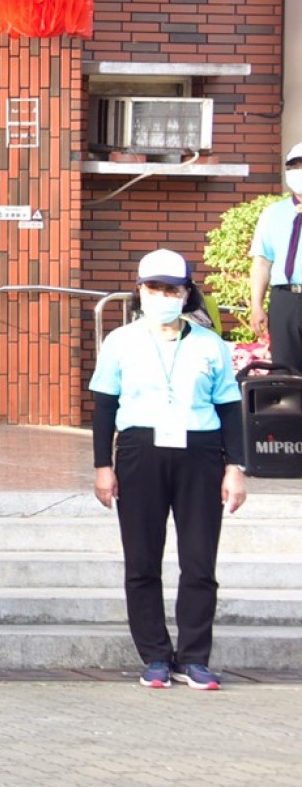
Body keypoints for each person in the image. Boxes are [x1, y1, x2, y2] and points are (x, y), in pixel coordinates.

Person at [92, 249, 248, 690]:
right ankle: (155, 656)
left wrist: (235, 467)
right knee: (142, 560)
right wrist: (103, 465)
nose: (163, 296)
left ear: (187, 293)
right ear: (140, 291)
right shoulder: (120, 341)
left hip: (200, 451)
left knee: (199, 561)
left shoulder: (209, 343)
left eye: (173, 289)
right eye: (155, 288)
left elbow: (230, 408)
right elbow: (104, 406)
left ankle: (194, 657)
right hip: (140, 450)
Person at [247, 142, 302, 371]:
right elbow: (262, 262)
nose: (299, 172)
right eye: (294, 167)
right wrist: (256, 305)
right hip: (284, 299)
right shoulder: (273, 213)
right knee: (285, 369)